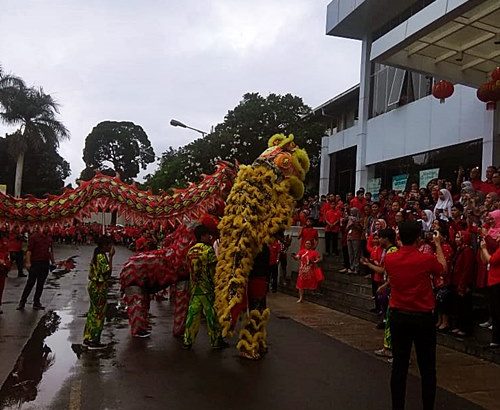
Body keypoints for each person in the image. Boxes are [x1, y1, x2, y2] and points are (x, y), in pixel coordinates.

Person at [385, 221, 446, 410]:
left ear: (399, 237)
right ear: (419, 238)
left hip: (398, 315)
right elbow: (442, 267)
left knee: (399, 366)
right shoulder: (425, 259)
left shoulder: (390, 259)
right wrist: (437, 245)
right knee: (427, 367)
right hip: (422, 317)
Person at [183, 225, 226, 349]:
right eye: (207, 235)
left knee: (192, 316)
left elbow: (189, 269)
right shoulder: (208, 250)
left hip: (195, 289)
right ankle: (216, 341)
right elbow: (214, 271)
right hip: (207, 290)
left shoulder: (190, 251)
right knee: (212, 316)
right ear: (202, 236)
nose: (209, 237)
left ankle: (187, 340)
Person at [83, 236, 115, 349]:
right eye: (109, 245)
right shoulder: (101, 256)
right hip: (99, 287)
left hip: (93, 285)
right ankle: (94, 339)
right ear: (105, 245)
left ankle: (88, 336)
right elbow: (107, 273)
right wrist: (111, 258)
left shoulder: (97, 254)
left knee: (93, 311)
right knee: (99, 313)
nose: (111, 247)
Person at [17, 226, 55, 311]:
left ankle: (36, 302)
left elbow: (50, 251)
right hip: (35, 263)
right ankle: (22, 302)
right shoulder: (34, 237)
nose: (47, 228)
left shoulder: (49, 238)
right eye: (45, 226)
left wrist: (53, 262)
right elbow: (29, 251)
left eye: (47, 227)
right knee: (30, 283)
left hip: (45, 264)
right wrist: (28, 262)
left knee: (40, 284)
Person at [479, 235, 500, 348]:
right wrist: (482, 248)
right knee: (495, 311)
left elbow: (491, 260)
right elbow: (484, 260)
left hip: (497, 283)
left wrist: (484, 249)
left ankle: (497, 339)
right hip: (493, 282)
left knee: (497, 312)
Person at [0, 231, 11, 314]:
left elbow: (7, 253)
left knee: (1, 288)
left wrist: (7, 264)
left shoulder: (5, 240)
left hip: (3, 269)